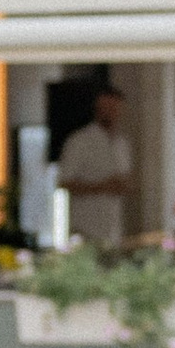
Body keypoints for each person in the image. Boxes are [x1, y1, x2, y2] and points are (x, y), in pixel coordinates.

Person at [53, 82, 136, 245]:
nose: (110, 113)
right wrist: (101, 187)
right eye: (105, 107)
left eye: (114, 108)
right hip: (86, 228)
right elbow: (64, 182)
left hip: (113, 228)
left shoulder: (121, 143)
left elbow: (125, 178)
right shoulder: (79, 141)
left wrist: (124, 186)